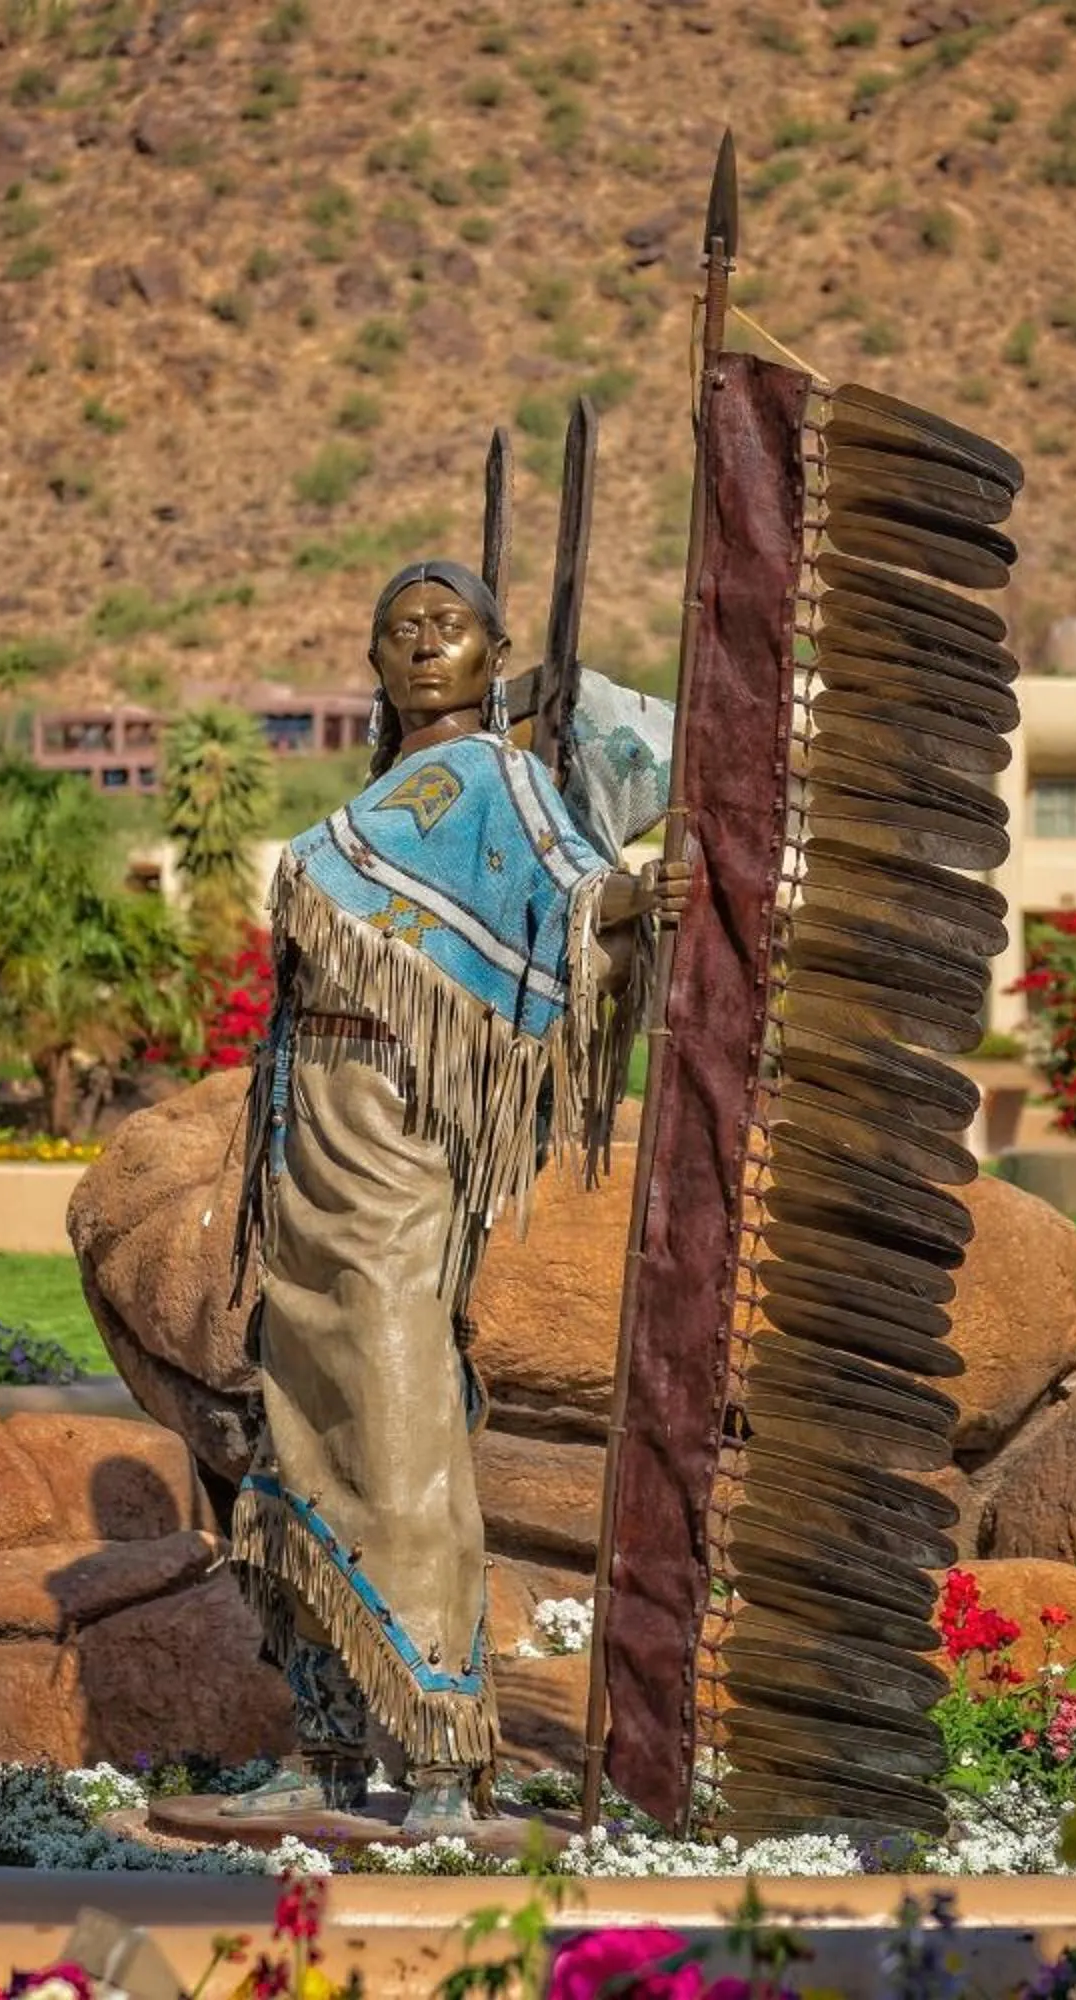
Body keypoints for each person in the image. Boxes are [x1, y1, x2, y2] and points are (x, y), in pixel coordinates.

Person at [224, 558, 687, 1835]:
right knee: (299, 1426)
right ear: (373, 660)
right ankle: (324, 1741)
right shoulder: (384, 794)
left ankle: (437, 1748)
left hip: (396, 1137)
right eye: (401, 629)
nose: (425, 644)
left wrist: (640, 895)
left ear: (493, 652)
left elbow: (573, 892)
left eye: (450, 626)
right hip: (308, 1131)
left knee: (403, 1416)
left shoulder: (500, 780)